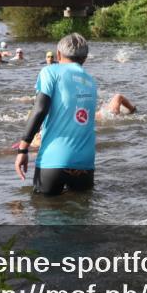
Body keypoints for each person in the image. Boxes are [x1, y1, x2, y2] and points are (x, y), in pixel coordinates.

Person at [14, 33, 98, 196]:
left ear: (58, 54)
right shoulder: (90, 81)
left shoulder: (50, 72)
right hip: (86, 162)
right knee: (81, 209)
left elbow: (40, 109)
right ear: (85, 58)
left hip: (54, 159)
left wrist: (23, 150)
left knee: (44, 208)